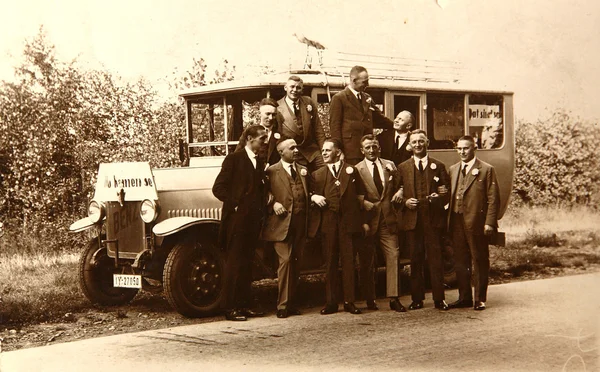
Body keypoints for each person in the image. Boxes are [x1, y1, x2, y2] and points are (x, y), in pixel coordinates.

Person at [212, 125, 268, 321]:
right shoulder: (234, 159)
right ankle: (229, 308)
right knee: (234, 264)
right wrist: (236, 205)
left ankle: (244, 305)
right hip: (237, 223)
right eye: (262, 138)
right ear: (250, 139)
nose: (265, 142)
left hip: (252, 223)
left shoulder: (259, 162)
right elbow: (218, 188)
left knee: (246, 264)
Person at [310, 139, 365, 315]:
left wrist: (362, 222)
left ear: (338, 152)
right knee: (331, 263)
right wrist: (314, 197)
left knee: (349, 262)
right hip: (328, 224)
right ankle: (331, 302)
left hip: (348, 224)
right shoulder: (317, 175)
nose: (324, 153)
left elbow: (360, 197)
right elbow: (310, 195)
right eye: (323, 150)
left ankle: (350, 301)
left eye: (328, 150)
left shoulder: (351, 171)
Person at [397, 129, 450, 311]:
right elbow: (394, 194)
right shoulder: (403, 167)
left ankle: (439, 299)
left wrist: (439, 198)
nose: (418, 145)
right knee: (415, 259)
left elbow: (446, 192)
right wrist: (405, 202)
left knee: (435, 259)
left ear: (427, 143)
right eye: (414, 142)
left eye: (421, 141)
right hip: (413, 219)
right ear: (409, 146)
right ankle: (417, 299)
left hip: (432, 219)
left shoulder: (438, 166)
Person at [447, 136, 500, 311]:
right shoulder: (453, 169)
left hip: (476, 222)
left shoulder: (486, 169)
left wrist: (489, 223)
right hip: (456, 219)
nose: (462, 152)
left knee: (479, 259)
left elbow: (493, 199)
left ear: (474, 149)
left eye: (466, 148)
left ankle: (480, 299)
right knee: (460, 260)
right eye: (459, 148)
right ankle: (464, 297)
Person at [355, 135, 406, 312]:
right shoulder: (357, 169)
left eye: (374, 146)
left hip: (387, 219)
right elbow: (352, 196)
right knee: (367, 261)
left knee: (393, 256)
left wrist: (400, 191)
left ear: (379, 148)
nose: (371, 150)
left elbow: (401, 183)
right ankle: (370, 298)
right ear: (362, 150)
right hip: (368, 221)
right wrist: (362, 203)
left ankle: (394, 298)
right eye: (367, 147)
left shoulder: (389, 165)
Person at [262, 138, 310, 318]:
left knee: (296, 263)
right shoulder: (271, 171)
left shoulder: (303, 170)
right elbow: (262, 192)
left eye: (296, 147)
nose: (296, 150)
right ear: (281, 152)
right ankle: (282, 305)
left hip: (300, 223)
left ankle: (291, 303)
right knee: (286, 261)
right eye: (292, 148)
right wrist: (273, 203)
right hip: (280, 224)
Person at [329, 65, 394, 165]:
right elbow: (335, 127)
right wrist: (339, 151)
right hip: (350, 151)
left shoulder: (367, 97)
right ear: (354, 80)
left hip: (368, 151)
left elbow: (379, 119)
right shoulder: (339, 98)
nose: (367, 84)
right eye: (364, 82)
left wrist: (396, 126)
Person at [277, 76, 326, 172]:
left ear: (302, 89)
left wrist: (325, 150)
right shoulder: (278, 107)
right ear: (285, 87)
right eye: (292, 87)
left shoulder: (308, 102)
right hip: (293, 153)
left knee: (325, 171)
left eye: (298, 87)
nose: (295, 90)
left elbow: (318, 129)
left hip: (312, 151)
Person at [236, 98, 281, 167]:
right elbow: (238, 154)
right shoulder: (249, 132)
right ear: (260, 113)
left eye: (274, 114)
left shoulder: (280, 134)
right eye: (268, 114)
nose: (271, 118)